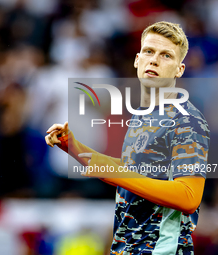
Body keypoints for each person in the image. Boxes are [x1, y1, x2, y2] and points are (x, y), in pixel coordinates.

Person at [45, 21, 210, 254]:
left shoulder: (187, 120)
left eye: (166, 56)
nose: (154, 60)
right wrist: (72, 146)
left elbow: (189, 196)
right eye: (149, 51)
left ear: (179, 70)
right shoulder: (142, 115)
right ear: (137, 59)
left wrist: (119, 174)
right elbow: (131, 171)